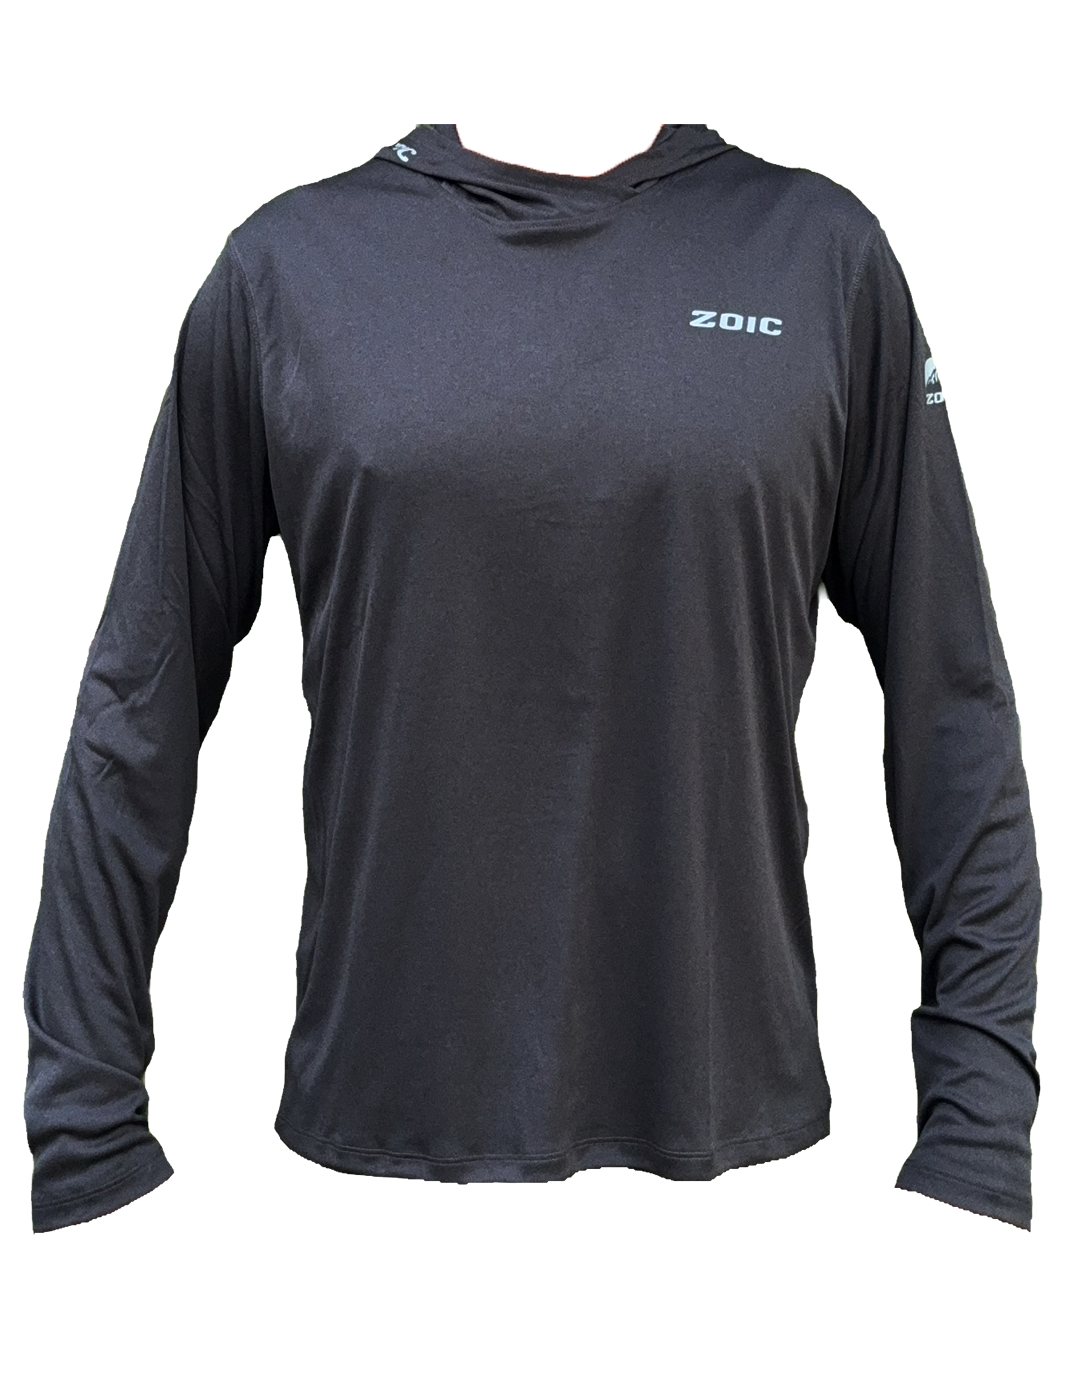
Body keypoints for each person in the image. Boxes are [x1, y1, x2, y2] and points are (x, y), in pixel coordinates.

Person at [26, 124, 1039, 1235]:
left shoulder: (820, 261)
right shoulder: (287, 270)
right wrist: (82, 1132)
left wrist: (981, 1132)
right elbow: (141, 706)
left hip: (740, 1150)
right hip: (377, 1153)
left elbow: (950, 700)